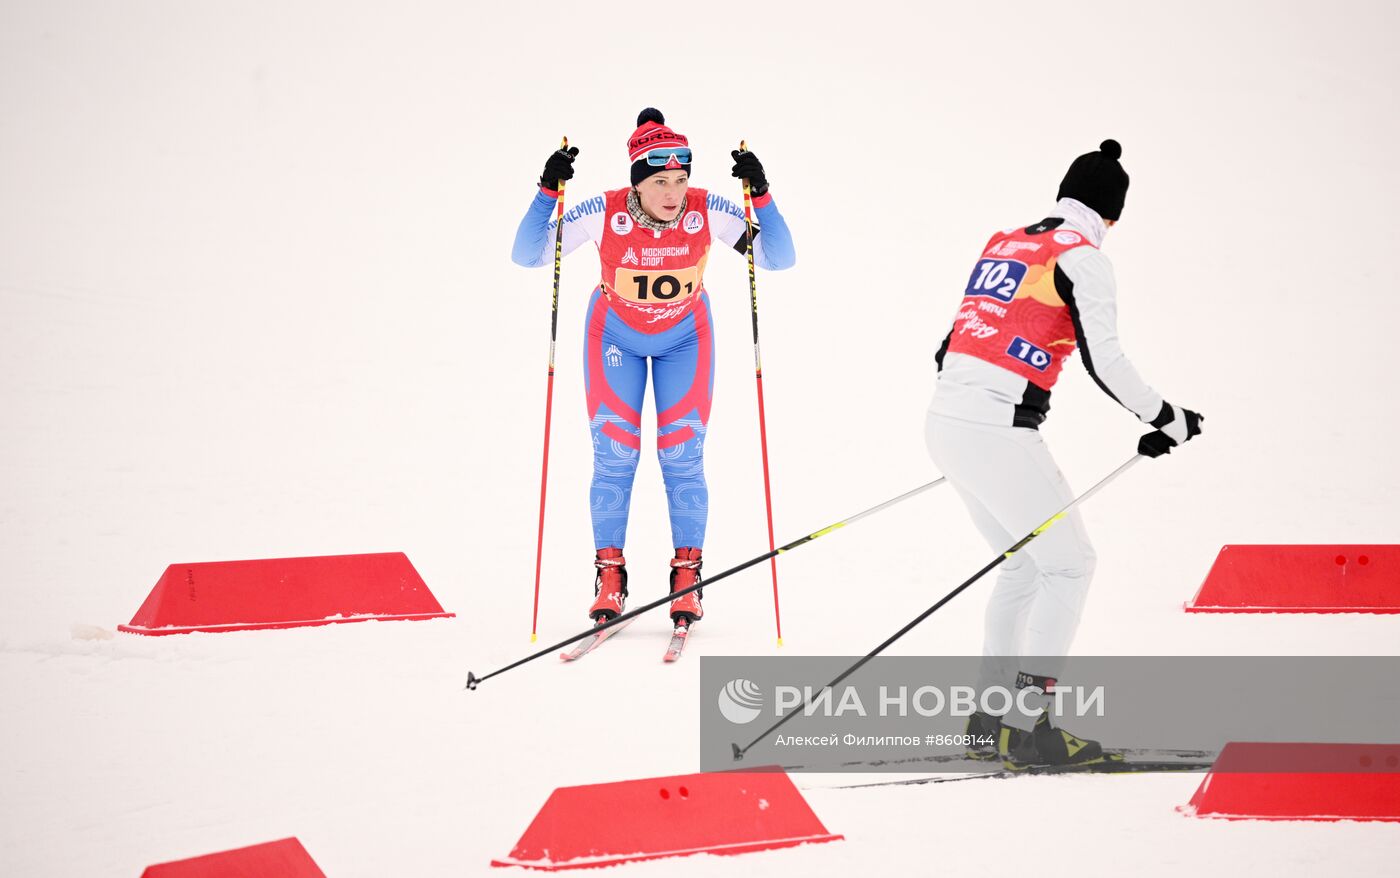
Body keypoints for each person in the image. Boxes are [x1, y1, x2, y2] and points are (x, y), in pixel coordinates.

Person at [924, 140, 1203, 769]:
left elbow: (947, 348)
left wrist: (970, 422)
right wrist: (1166, 418)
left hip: (946, 421)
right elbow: (1105, 358)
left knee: (1024, 567)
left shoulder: (1007, 242)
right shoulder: (1085, 258)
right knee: (1070, 566)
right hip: (993, 430)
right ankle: (1033, 730)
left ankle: (989, 722)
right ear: (1112, 217)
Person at [511, 108, 795, 630]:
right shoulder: (605, 211)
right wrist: (548, 191)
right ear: (636, 183)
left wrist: (762, 194)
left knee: (682, 453)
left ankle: (687, 578)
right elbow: (528, 256)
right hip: (613, 336)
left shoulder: (707, 211)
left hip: (685, 339)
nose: (672, 193)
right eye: (660, 181)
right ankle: (611, 576)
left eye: (681, 179)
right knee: (615, 452)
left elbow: (779, 258)